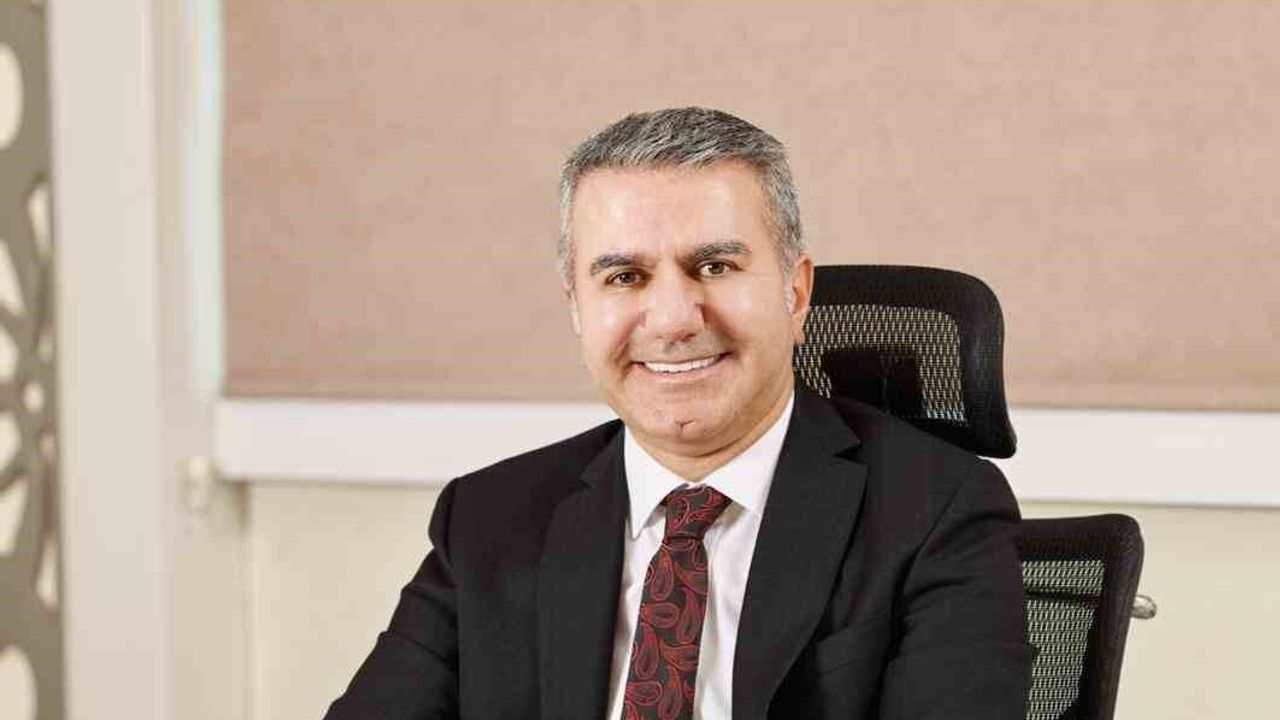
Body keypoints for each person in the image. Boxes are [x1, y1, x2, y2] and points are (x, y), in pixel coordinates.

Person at [325, 108, 1032, 720]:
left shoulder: (938, 511)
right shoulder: (490, 519)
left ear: (795, 292)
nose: (671, 319)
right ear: (577, 308)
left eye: (715, 267)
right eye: (624, 277)